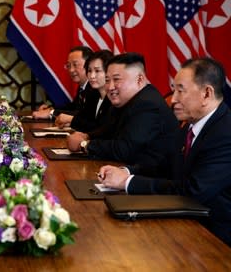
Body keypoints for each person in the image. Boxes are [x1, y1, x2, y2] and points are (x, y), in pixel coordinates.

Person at [98, 57, 231, 247]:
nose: (173, 99)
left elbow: (192, 192)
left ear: (206, 93)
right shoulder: (190, 127)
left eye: (180, 90)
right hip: (184, 221)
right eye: (173, 89)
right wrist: (127, 171)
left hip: (215, 238)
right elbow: (164, 165)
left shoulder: (225, 133)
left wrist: (128, 183)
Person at [67, 52, 179, 173]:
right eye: (107, 80)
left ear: (140, 79)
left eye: (116, 80)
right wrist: (87, 136)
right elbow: (108, 130)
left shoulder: (147, 104)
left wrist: (85, 145)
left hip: (153, 181)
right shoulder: (127, 100)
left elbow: (125, 150)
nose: (110, 87)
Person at [55, 50, 113, 132]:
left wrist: (72, 120)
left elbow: (102, 128)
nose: (92, 76)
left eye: (97, 71)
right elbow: (85, 120)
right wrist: (72, 123)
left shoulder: (114, 98)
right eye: (89, 71)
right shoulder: (93, 95)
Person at [32, 46, 94, 119]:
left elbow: (84, 115)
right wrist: (51, 109)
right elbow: (72, 107)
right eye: (68, 65)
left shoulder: (94, 88)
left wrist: (51, 113)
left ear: (89, 65)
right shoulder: (83, 87)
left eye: (75, 65)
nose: (71, 70)